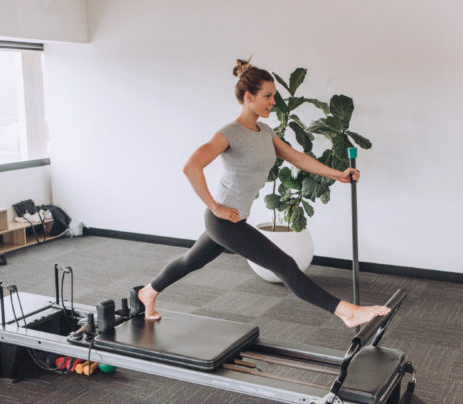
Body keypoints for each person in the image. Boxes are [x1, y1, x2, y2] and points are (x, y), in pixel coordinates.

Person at [133, 58, 390, 327]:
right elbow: (191, 167)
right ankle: (346, 312)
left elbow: (297, 158)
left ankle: (147, 293)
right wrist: (216, 207)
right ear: (249, 97)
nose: (273, 103)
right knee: (285, 265)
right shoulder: (229, 133)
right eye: (267, 96)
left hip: (235, 218)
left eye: (274, 96)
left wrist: (338, 174)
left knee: (190, 261)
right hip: (223, 222)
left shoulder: (265, 132)